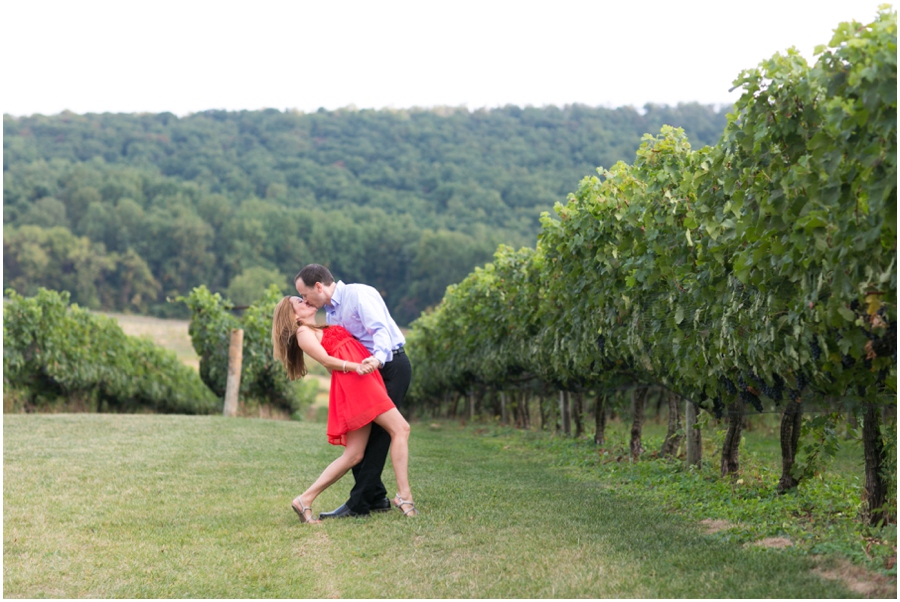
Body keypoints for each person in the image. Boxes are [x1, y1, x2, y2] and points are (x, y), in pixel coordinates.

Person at [272, 295, 417, 523]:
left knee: (354, 455)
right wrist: (357, 366)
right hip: (357, 382)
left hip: (362, 380)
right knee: (401, 429)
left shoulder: (318, 326)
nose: (304, 300)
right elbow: (327, 361)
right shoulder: (302, 333)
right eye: (298, 301)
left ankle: (305, 499)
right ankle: (404, 496)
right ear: (293, 315)